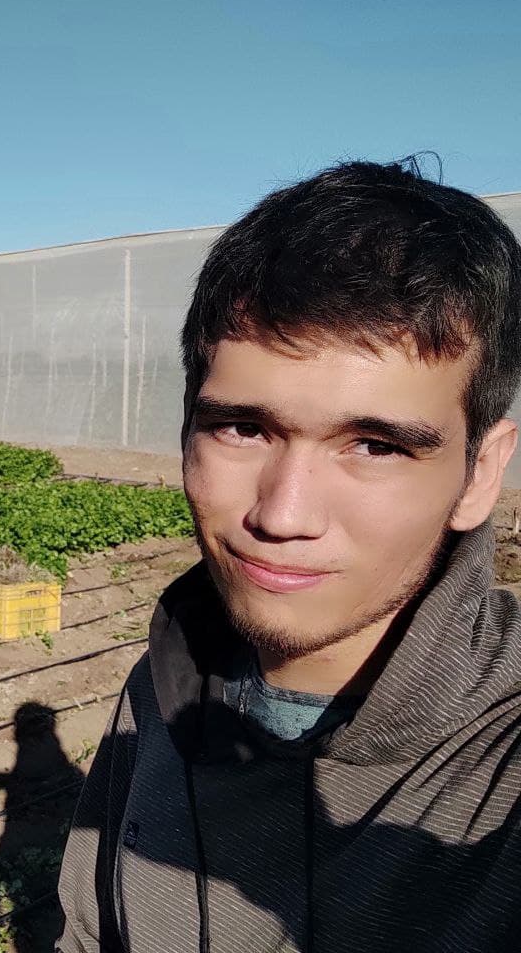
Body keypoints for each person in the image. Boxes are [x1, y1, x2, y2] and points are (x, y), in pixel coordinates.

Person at [56, 159, 521, 953]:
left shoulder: (498, 782)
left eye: (374, 445)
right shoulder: (163, 684)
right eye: (243, 428)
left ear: (481, 472)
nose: (282, 514)